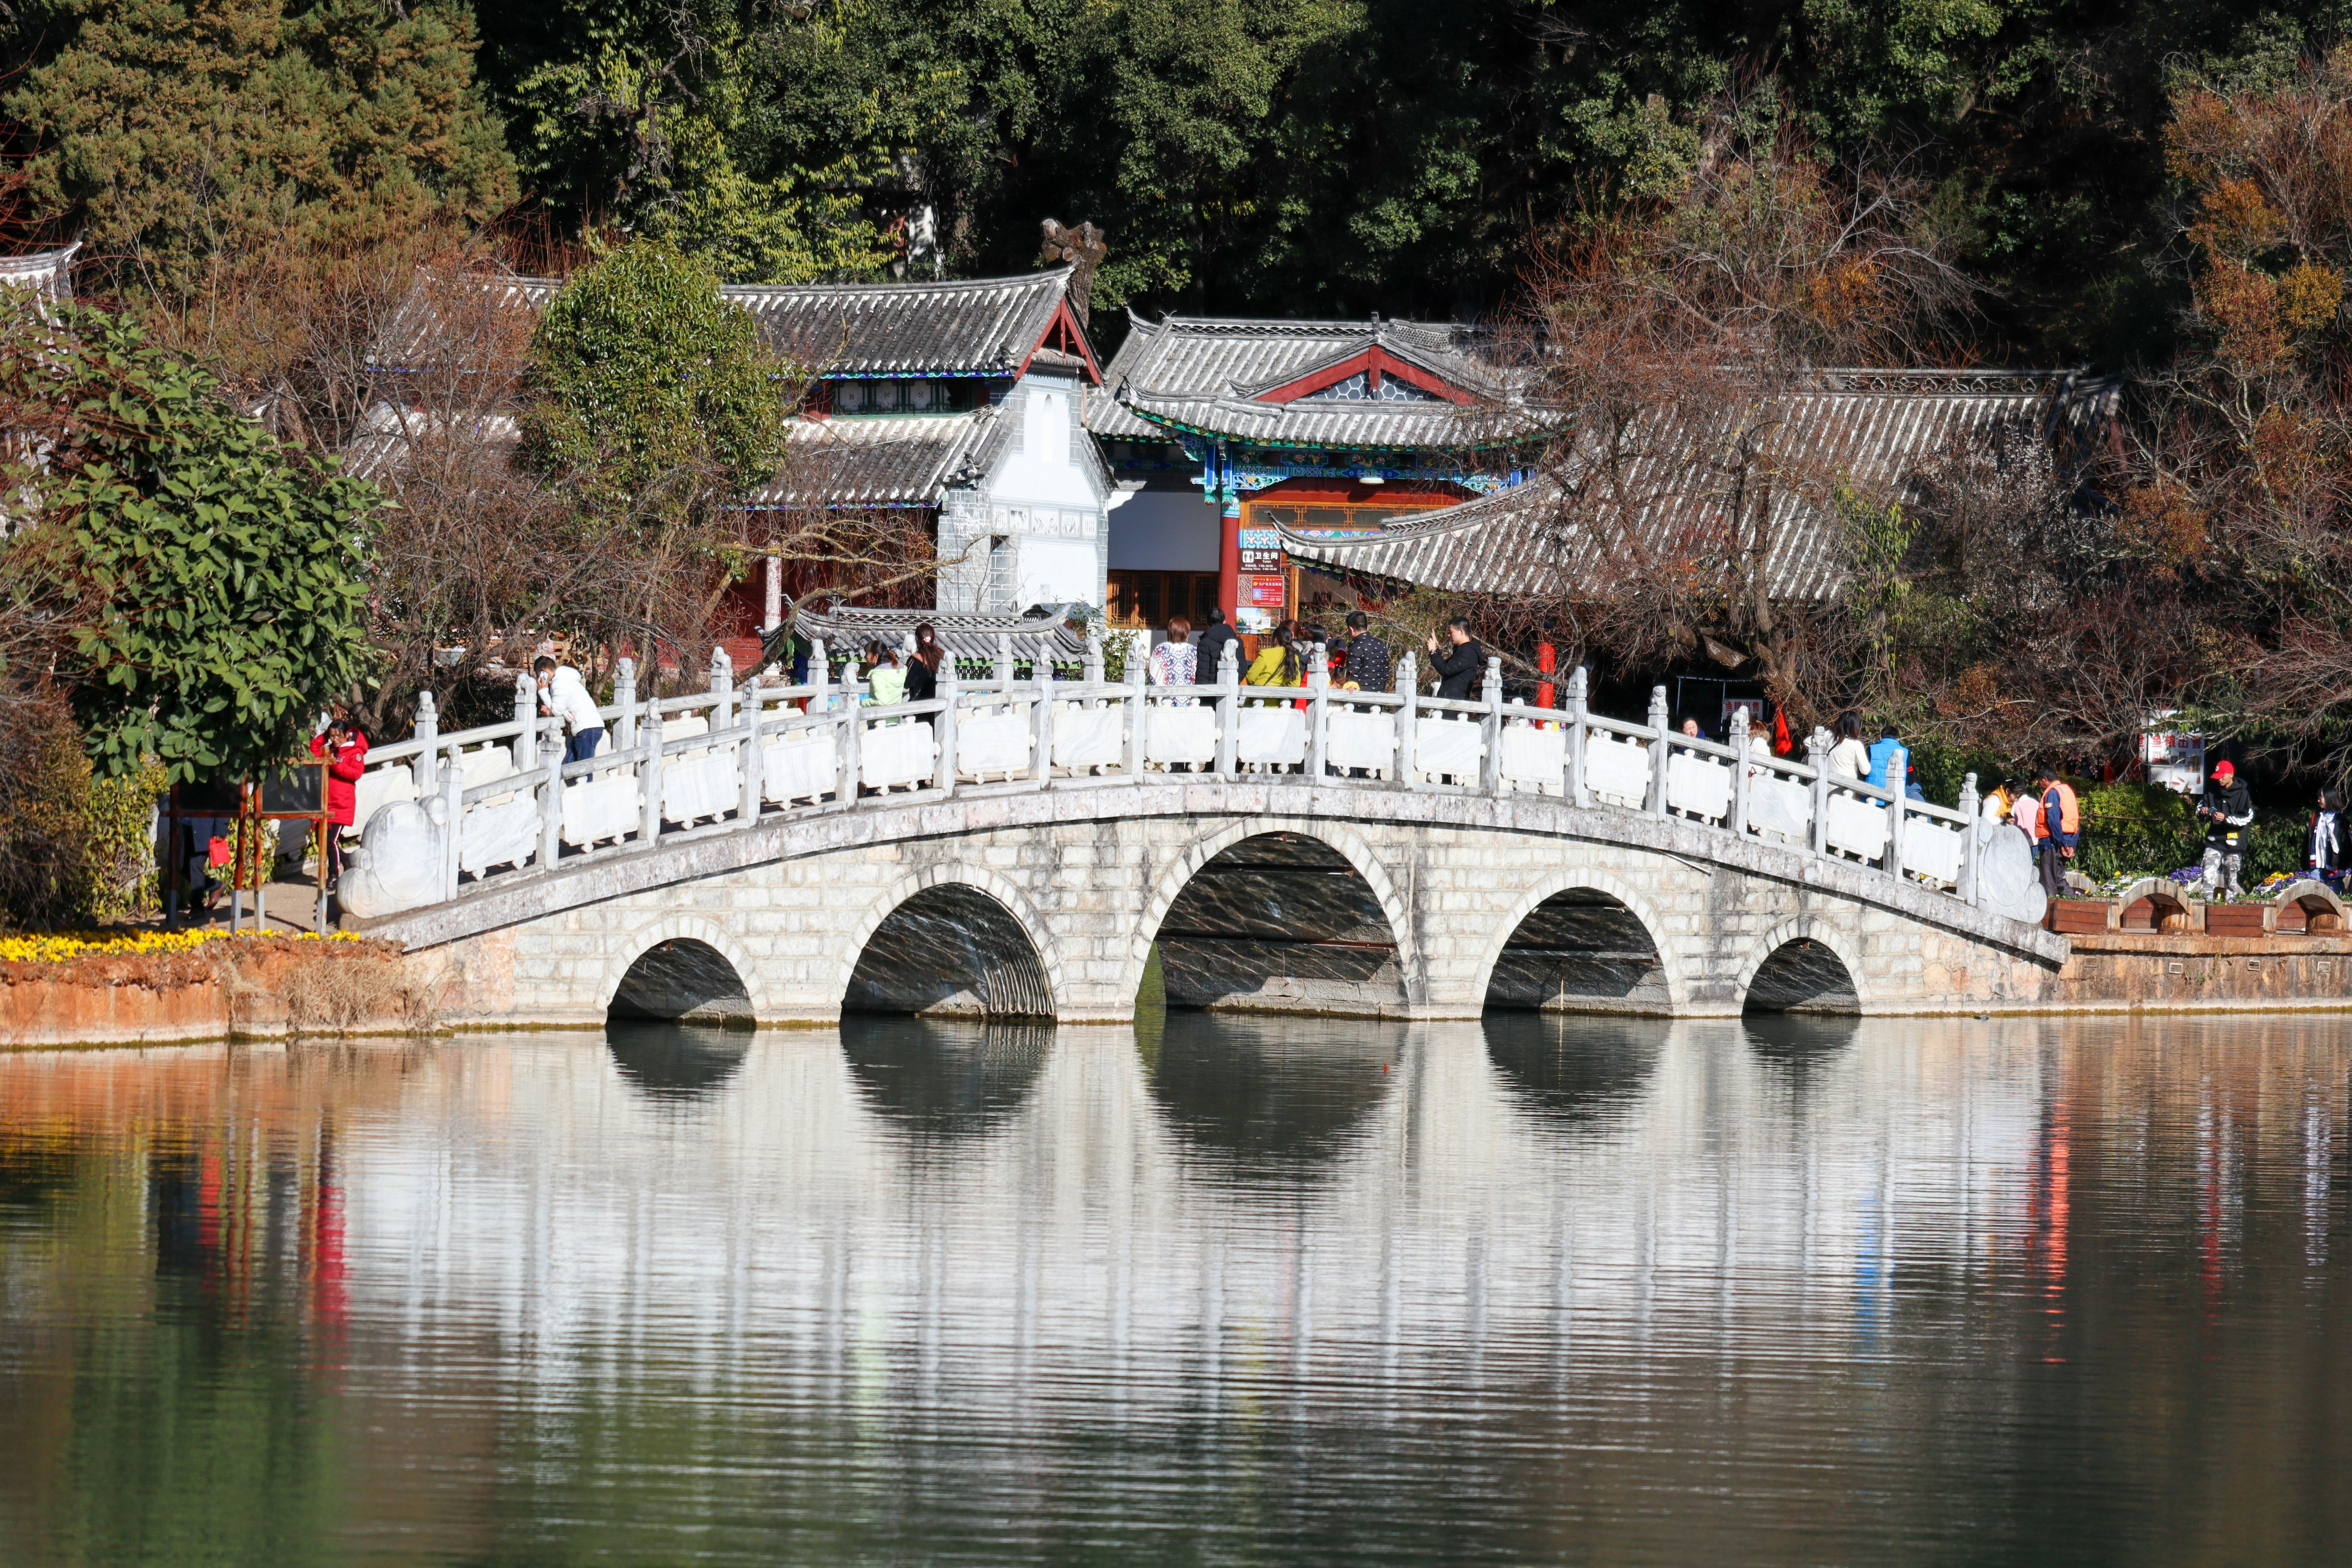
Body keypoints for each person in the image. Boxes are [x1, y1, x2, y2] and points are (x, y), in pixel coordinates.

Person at [309, 707, 368, 888]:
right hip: (326, 802)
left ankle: (334, 875)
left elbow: (356, 773)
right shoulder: (329, 750)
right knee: (324, 840)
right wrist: (325, 736)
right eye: (332, 736)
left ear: (347, 735)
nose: (335, 740)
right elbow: (313, 751)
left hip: (342, 804)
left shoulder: (354, 752)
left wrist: (336, 766)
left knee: (331, 840)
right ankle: (345, 859)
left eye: (338, 736)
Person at [2197, 759, 2254, 898]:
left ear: (2231, 775)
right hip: (2215, 841)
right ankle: (2206, 902)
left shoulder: (2243, 794)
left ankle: (2230, 904)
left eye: (2223, 776)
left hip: (2234, 843)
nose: (2220, 780)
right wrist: (2203, 812)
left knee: (2231, 876)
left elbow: (2247, 818)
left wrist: (2226, 818)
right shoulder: (2212, 792)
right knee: (2208, 873)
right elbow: (2200, 807)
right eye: (2218, 777)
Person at [535, 656, 605, 763]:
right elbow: (562, 707)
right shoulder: (566, 679)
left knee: (584, 770)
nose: (540, 679)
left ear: (543, 671)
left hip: (587, 728)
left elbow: (558, 711)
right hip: (589, 727)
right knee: (567, 766)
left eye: (539, 676)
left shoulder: (559, 683)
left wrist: (543, 691)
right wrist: (551, 709)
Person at [2036, 764, 2081, 899]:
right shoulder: (2067, 791)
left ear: (2045, 779)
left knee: (2049, 880)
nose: (2038, 784)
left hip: (2053, 843)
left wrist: (2061, 844)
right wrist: (2071, 844)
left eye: (2039, 781)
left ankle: (2049, 913)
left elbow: (2053, 820)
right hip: (2067, 840)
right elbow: (2075, 820)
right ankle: (2077, 902)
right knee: (2058, 879)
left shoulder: (2052, 793)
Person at [1426, 616, 1482, 701]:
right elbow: (1446, 667)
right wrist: (1436, 650)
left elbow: (1446, 670)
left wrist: (1433, 652)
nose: (1449, 635)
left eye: (1451, 632)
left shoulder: (1468, 653)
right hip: (1450, 702)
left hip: (1455, 704)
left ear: (1461, 632)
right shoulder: (1463, 651)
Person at [1340, 610, 1390, 694]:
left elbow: (1352, 677)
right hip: (1379, 697)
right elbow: (1385, 675)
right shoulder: (1382, 645)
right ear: (1367, 628)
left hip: (1360, 700)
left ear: (1351, 630)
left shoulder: (1356, 648)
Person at [1148, 617, 1198, 690]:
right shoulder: (1194, 651)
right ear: (1186, 633)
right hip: (1189, 696)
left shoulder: (1161, 649)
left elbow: (1152, 676)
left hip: (1163, 696)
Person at [2310, 788, 2348, 880]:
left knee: (2336, 893)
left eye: (2321, 798)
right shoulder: (2317, 817)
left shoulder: (2340, 820)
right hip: (2317, 866)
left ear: (2329, 798)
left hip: (2333, 866)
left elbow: (2345, 843)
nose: (2318, 800)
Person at [1194, 607, 1238, 683]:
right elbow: (1243, 668)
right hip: (1232, 687)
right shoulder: (1236, 641)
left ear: (1207, 622)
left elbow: (1202, 673)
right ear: (1224, 621)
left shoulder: (1205, 643)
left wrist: (1201, 692)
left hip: (1212, 690)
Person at [905, 622, 943, 704]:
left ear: (917, 639)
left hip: (919, 704)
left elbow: (908, 684)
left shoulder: (914, 659)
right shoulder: (941, 657)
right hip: (938, 703)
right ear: (933, 639)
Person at [1866, 720, 1908, 793]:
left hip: (1871, 794)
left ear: (1880, 738)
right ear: (1897, 739)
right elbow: (1911, 777)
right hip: (1895, 796)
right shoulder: (1905, 752)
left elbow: (1864, 771)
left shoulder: (1871, 749)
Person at [1827, 712, 1870, 783]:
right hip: (1846, 786)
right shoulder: (1856, 744)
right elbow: (1865, 771)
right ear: (1856, 726)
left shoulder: (1829, 736)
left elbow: (1807, 742)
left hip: (1828, 783)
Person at [864, 642, 907, 708]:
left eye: (867, 654)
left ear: (876, 656)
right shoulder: (901, 670)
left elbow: (882, 702)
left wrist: (864, 702)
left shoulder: (877, 676)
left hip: (881, 715)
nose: (865, 657)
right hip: (896, 713)